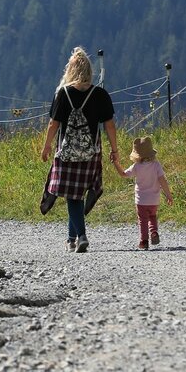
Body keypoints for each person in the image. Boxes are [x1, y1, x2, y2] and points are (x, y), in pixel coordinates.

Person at [40, 47, 118, 253]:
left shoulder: (63, 93)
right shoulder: (100, 94)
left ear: (70, 70)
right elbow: (109, 125)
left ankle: (81, 236)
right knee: (77, 193)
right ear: (89, 70)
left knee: (72, 195)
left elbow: (53, 124)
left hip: (66, 152)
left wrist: (47, 146)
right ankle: (70, 239)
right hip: (91, 152)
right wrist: (115, 150)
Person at [112, 136, 173, 250]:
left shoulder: (136, 166)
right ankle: (154, 232)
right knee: (153, 216)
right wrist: (168, 195)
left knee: (142, 220)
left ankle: (144, 241)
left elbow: (123, 174)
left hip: (140, 200)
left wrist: (115, 163)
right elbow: (162, 180)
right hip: (154, 199)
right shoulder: (156, 165)